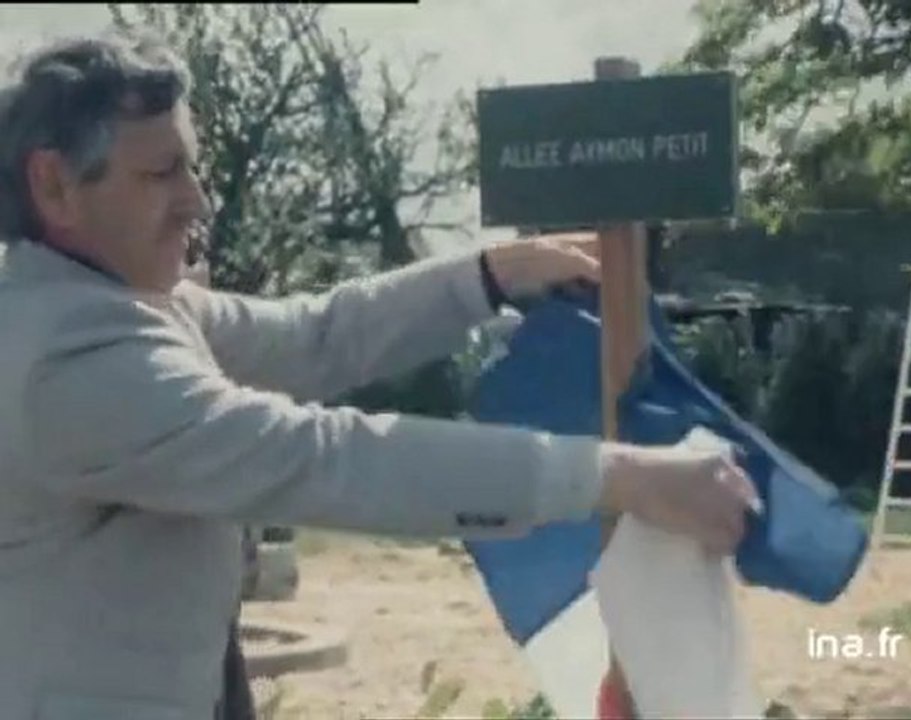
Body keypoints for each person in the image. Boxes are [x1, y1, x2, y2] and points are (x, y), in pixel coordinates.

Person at [0, 29, 759, 720]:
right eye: (161, 173)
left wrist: (485, 276)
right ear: (55, 187)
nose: (195, 200)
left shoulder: (121, 306)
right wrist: (612, 476)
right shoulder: (68, 363)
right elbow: (323, 457)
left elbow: (315, 336)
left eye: (190, 167)